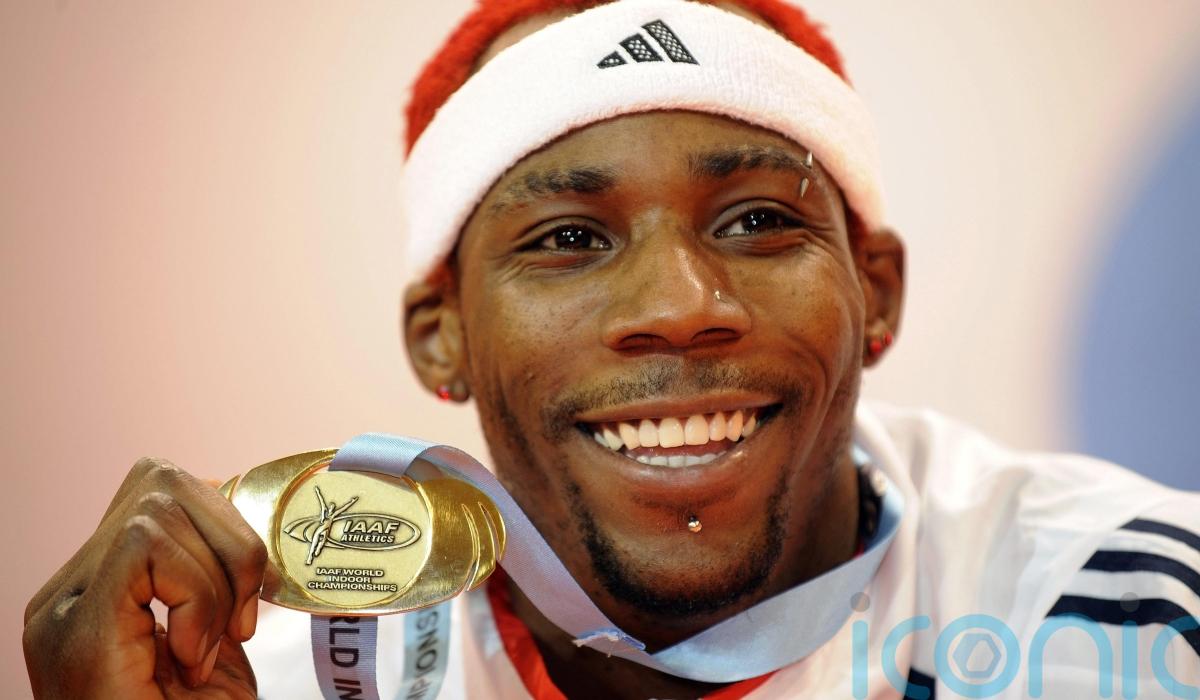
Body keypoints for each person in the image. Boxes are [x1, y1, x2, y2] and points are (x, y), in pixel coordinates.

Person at [22, 0, 1200, 698]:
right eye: (568, 238)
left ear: (875, 292)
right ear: (443, 335)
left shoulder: (1138, 617)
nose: (680, 305)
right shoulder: (261, 682)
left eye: (758, 220)